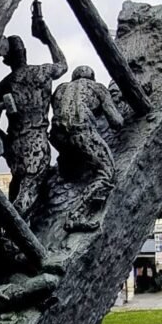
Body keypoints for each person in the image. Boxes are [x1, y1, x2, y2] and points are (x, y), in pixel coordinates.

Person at [0, 0, 67, 216]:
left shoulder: (3, 85)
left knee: (18, 190)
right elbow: (62, 63)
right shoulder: (42, 72)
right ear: (24, 53)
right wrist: (46, 35)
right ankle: (13, 238)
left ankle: (12, 234)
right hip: (36, 143)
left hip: (16, 145)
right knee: (27, 195)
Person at [50, 65, 125, 231]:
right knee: (106, 173)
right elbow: (116, 122)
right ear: (92, 76)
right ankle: (75, 216)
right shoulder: (97, 87)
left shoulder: (61, 89)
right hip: (80, 132)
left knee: (72, 155)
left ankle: (67, 168)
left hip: (57, 136)